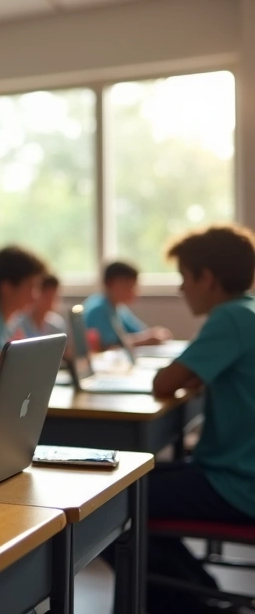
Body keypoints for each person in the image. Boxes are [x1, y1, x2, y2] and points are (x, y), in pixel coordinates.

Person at [104, 225, 255, 613]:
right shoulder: (248, 312)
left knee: (107, 504)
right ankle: (201, 592)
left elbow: (163, 383)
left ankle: (190, 603)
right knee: (131, 486)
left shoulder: (230, 318)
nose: (181, 288)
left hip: (235, 483)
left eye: (184, 277)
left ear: (207, 278)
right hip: (237, 473)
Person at [83, 261, 172, 350]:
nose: (133, 291)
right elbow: (108, 345)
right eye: (128, 285)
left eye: (134, 286)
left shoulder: (118, 307)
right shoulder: (99, 309)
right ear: (109, 283)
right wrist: (145, 339)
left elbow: (140, 331)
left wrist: (154, 334)